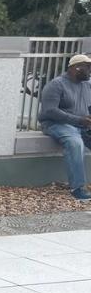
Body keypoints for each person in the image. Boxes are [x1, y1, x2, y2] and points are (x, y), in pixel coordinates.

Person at [39, 53, 91, 201]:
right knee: (75, 143)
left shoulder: (88, 85)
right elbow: (50, 111)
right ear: (76, 68)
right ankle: (78, 188)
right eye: (88, 67)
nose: (90, 71)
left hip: (82, 125)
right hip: (57, 124)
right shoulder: (56, 85)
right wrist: (79, 120)